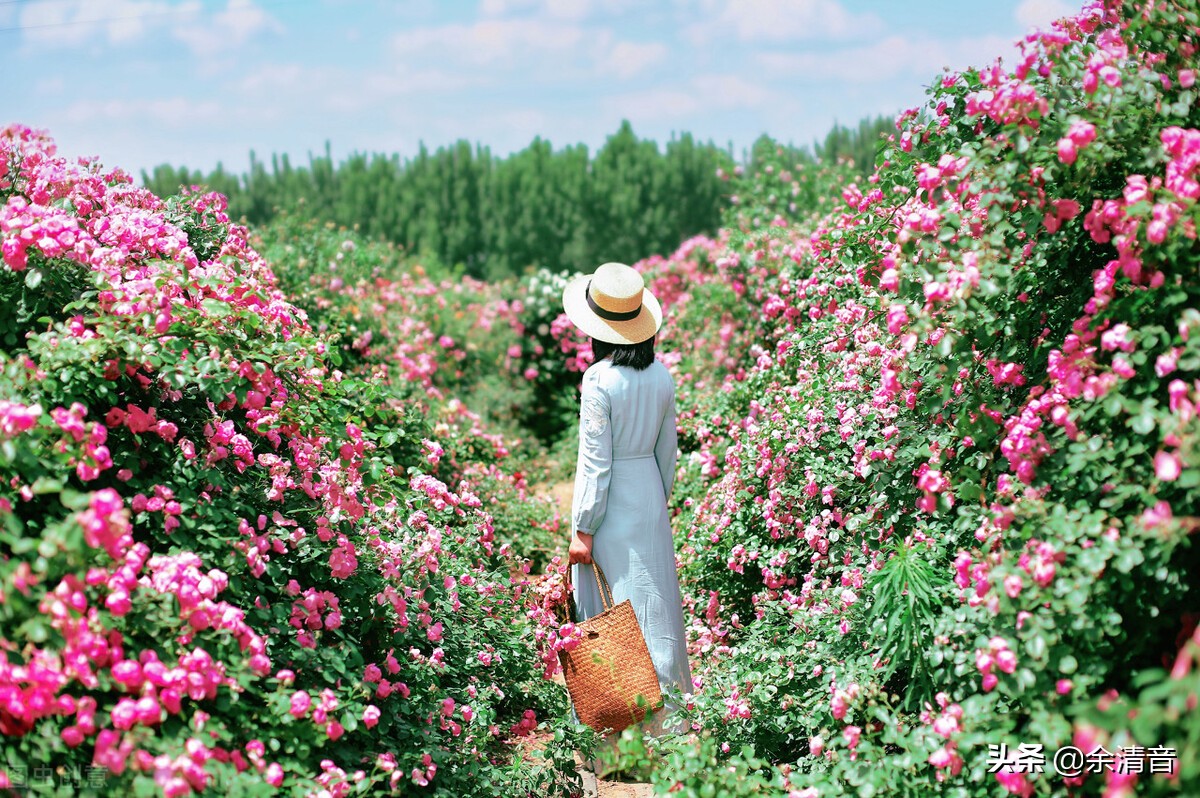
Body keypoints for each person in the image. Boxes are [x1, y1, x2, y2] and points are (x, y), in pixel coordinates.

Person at [561, 261, 692, 761]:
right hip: (649, 495)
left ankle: (614, 741)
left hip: (611, 504)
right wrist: (657, 501)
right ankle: (668, 733)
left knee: (611, 613)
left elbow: (596, 462)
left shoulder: (598, 380)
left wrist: (583, 528)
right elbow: (667, 453)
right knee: (655, 610)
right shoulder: (662, 376)